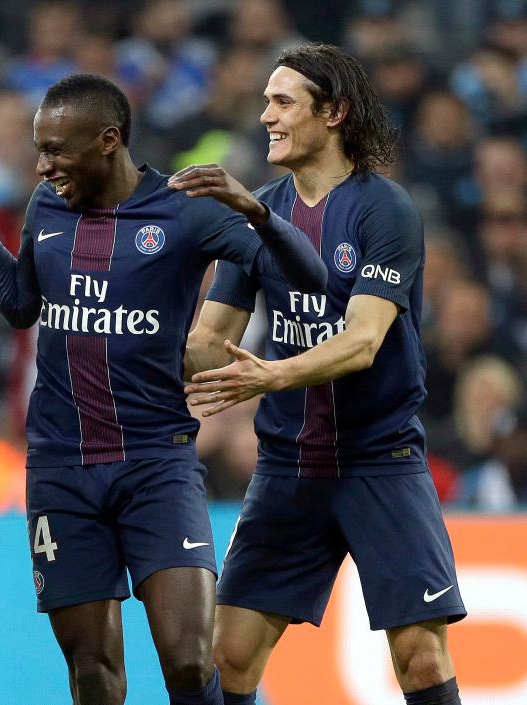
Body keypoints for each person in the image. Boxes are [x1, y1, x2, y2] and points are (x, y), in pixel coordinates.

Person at [0, 73, 327, 705]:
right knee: (94, 677)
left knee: (187, 661)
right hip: (61, 471)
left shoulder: (186, 210)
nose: (42, 165)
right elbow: (20, 305)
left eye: (56, 150)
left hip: (156, 463)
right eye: (40, 149)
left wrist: (257, 212)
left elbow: (308, 278)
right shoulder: (47, 207)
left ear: (108, 141)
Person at [181, 44, 466, 705]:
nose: (266, 117)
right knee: (230, 654)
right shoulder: (255, 212)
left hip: (380, 460)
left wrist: (272, 376)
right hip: (289, 467)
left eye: (283, 102)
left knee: (421, 658)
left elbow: (363, 339)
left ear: (333, 111)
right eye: (265, 102)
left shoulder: (384, 210)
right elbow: (208, 341)